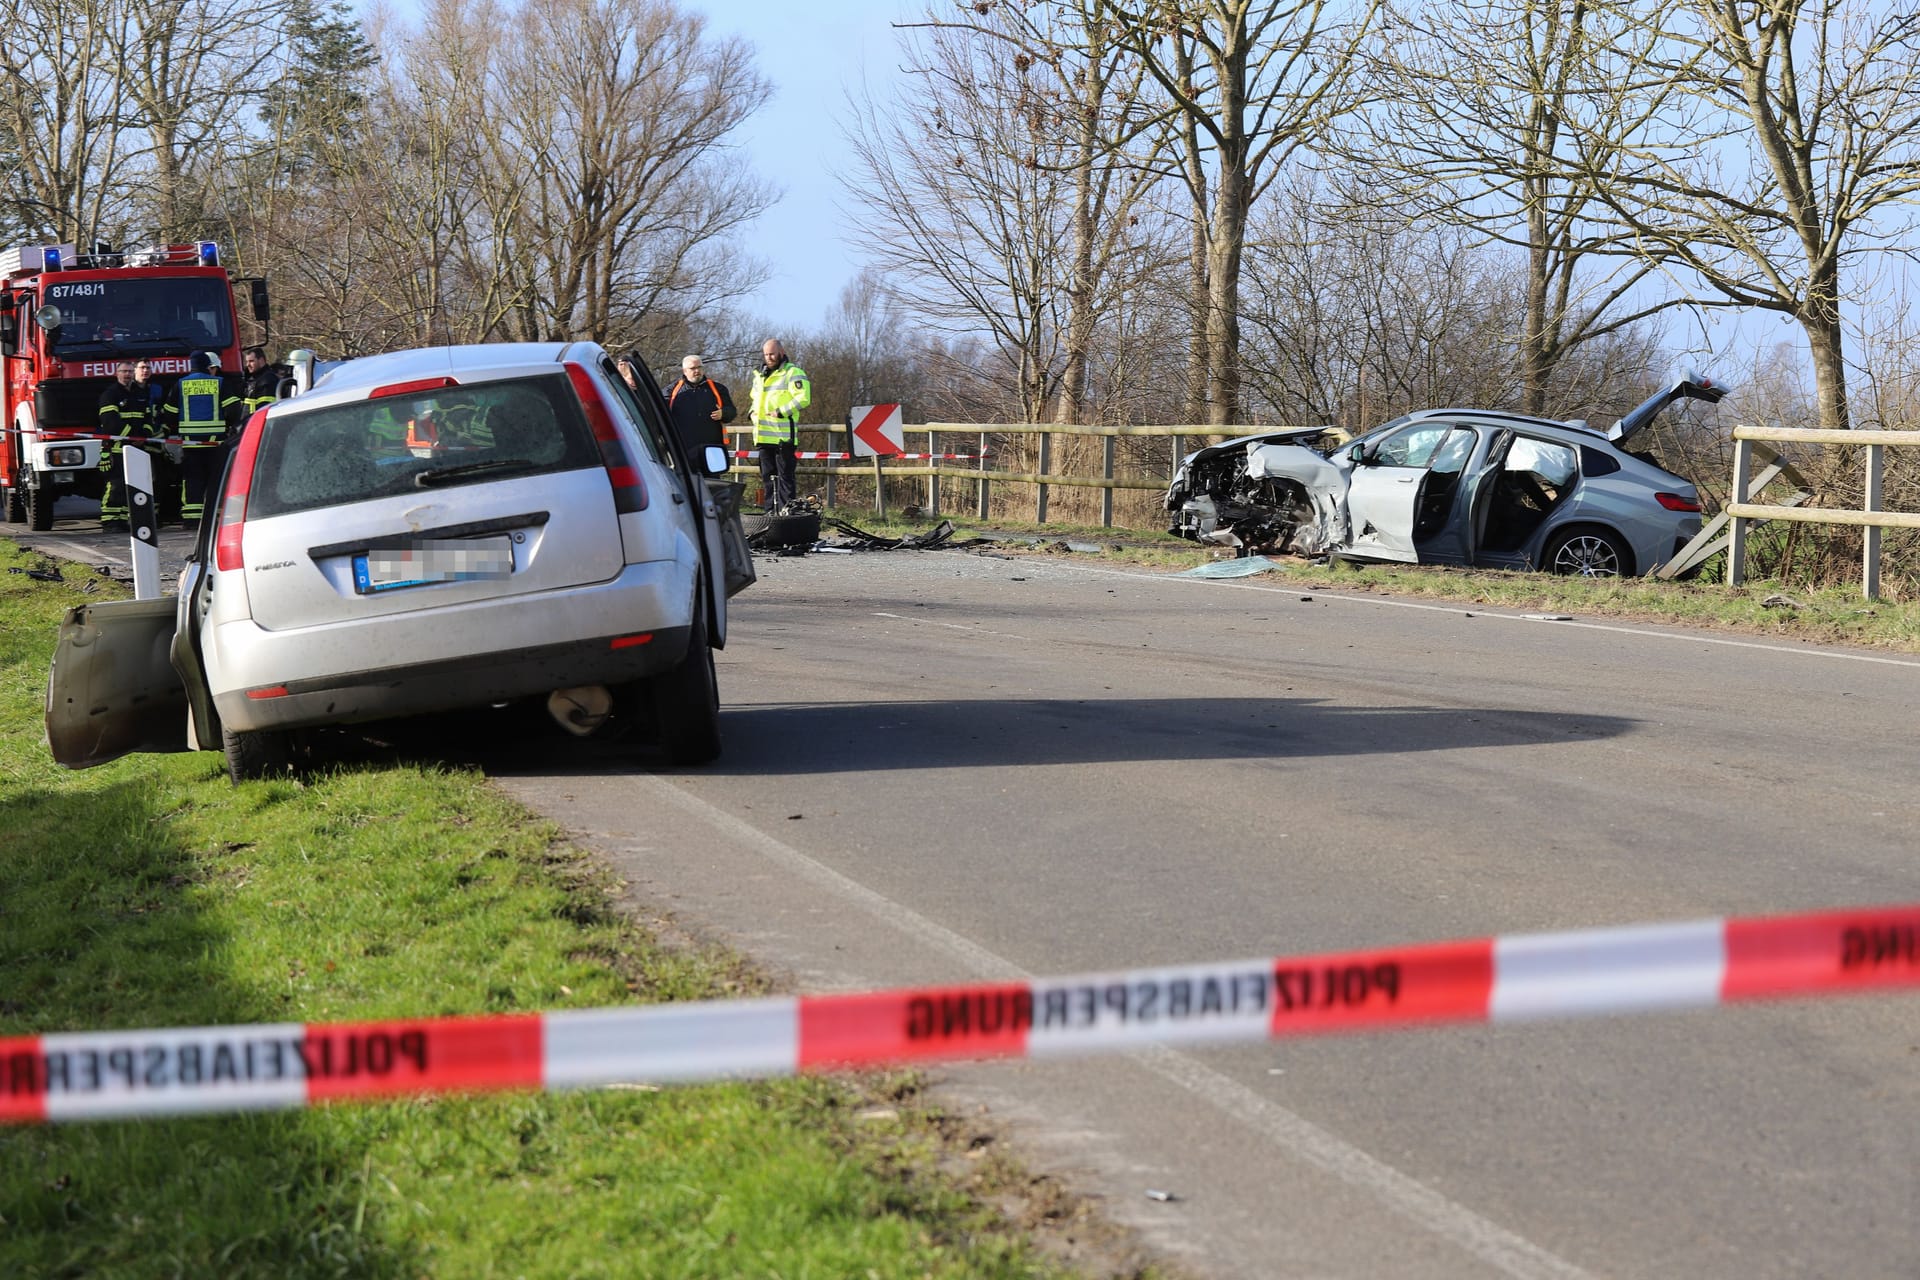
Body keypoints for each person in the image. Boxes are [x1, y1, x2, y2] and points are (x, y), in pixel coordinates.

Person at [162, 351, 238, 525]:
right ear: (207, 365)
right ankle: (214, 519)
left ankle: (192, 520)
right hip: (215, 442)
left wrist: (177, 426)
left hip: (190, 443)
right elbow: (233, 409)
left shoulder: (181, 384)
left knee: (192, 480)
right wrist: (227, 425)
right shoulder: (219, 383)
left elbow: (169, 413)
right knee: (216, 480)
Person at [750, 338, 810, 508]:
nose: (769, 357)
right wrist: (752, 413)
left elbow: (803, 398)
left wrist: (782, 411)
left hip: (783, 436)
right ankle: (770, 514)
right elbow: (754, 399)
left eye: (772, 354)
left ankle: (786, 514)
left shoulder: (793, 373)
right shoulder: (759, 376)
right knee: (767, 478)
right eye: (766, 354)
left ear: (781, 353)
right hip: (763, 436)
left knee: (785, 478)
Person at [95, 361, 152, 532]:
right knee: (116, 484)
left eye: (129, 371)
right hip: (117, 447)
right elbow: (110, 422)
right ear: (117, 374)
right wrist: (131, 437)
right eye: (123, 371)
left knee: (133, 484)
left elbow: (148, 418)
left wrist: (144, 435)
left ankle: (124, 519)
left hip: (138, 447)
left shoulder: (139, 393)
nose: (127, 374)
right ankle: (110, 520)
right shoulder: (110, 395)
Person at [131, 358, 181, 524]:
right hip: (135, 443)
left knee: (159, 478)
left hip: (155, 442)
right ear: (135, 371)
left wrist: (165, 430)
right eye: (142, 368)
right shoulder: (128, 391)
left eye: (147, 368)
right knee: (137, 479)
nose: (145, 371)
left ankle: (154, 514)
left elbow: (165, 412)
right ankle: (137, 515)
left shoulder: (157, 390)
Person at [666, 353, 736, 458]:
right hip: (683, 449)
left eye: (699, 367)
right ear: (684, 371)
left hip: (712, 448)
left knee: (712, 474)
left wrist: (723, 413)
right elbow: (660, 414)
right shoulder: (671, 391)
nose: (697, 371)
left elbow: (732, 412)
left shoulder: (718, 389)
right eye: (693, 368)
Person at [235, 346, 279, 418]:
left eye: (251, 361)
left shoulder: (268, 380)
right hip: (248, 422)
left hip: (256, 423)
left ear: (261, 360)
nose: (247, 365)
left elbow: (264, 407)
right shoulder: (251, 378)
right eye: (247, 361)